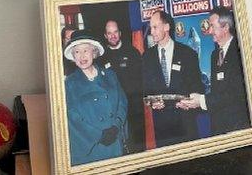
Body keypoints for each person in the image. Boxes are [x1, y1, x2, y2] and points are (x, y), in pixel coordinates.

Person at [176, 7, 251, 135]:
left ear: (226, 27)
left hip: (238, 128)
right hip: (218, 127)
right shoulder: (214, 55)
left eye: (212, 26)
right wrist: (193, 103)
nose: (209, 30)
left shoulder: (241, 52)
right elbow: (217, 94)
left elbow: (236, 94)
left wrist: (201, 101)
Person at [63, 29, 128, 166]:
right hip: (90, 149)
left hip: (114, 143)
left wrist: (116, 126)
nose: (82, 56)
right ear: (73, 58)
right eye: (77, 52)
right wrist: (98, 135)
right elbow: (72, 118)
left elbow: (122, 103)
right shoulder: (69, 83)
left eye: (86, 50)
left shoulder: (110, 75)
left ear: (94, 52)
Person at [141, 11, 204, 148]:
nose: (152, 31)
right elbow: (146, 90)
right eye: (151, 28)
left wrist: (189, 101)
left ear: (167, 27)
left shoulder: (188, 54)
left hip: (186, 123)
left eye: (155, 27)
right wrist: (152, 103)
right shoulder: (146, 57)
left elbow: (198, 87)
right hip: (162, 127)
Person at [99, 19, 144, 153]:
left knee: (136, 145)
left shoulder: (133, 52)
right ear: (105, 36)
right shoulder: (101, 58)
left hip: (133, 109)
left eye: (115, 32)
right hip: (113, 110)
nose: (113, 36)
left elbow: (141, 81)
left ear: (120, 33)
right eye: (109, 33)